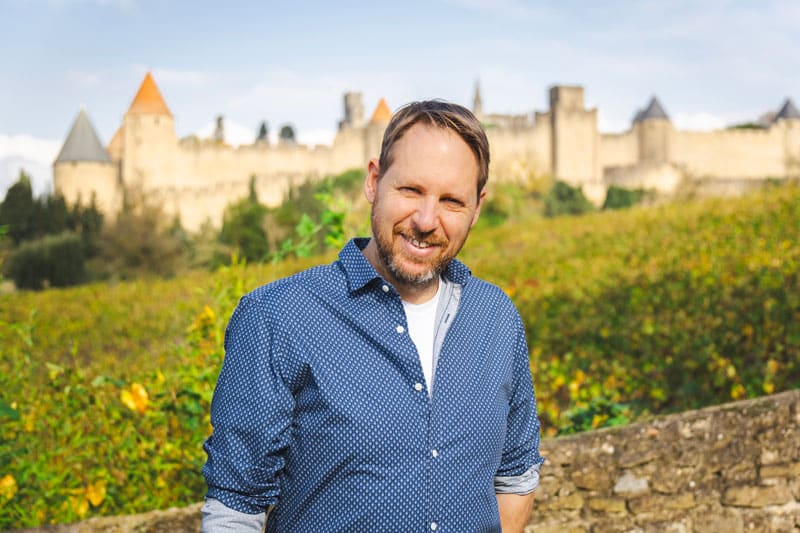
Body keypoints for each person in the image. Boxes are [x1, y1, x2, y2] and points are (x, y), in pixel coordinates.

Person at [202, 100, 544, 532]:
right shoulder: (278, 317)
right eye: (411, 190)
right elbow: (235, 508)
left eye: (451, 201)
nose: (426, 220)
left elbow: (516, 474)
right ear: (373, 181)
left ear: (476, 208)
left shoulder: (496, 318)